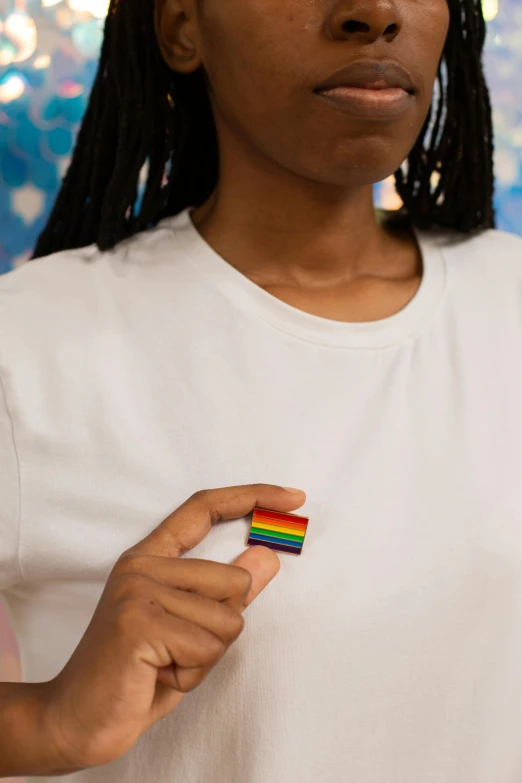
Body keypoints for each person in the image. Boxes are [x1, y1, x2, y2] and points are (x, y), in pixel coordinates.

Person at [1, 0, 522, 780]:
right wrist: (44, 722)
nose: (374, 12)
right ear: (182, 27)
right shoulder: (29, 346)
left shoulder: (508, 299)